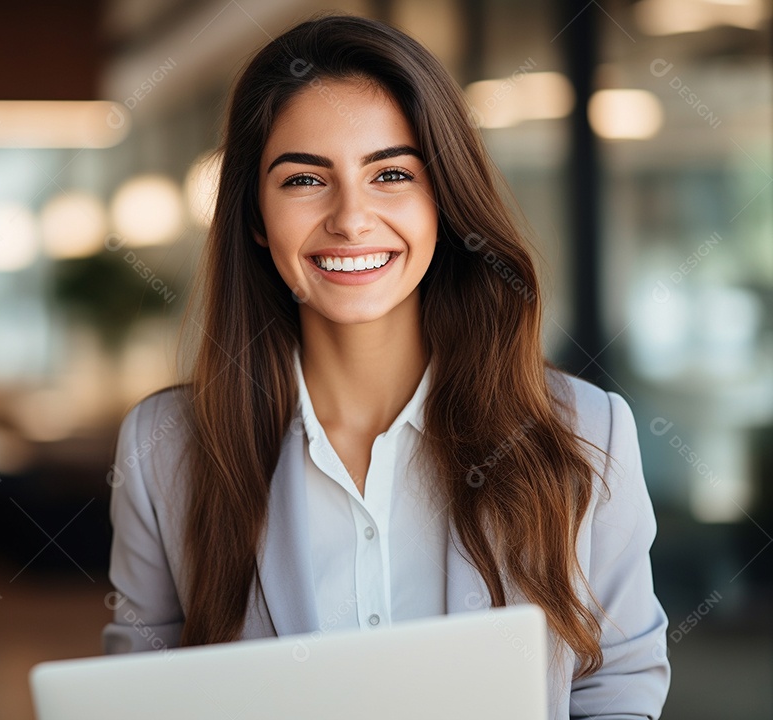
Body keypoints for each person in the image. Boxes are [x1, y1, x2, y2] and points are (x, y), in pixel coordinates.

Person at [101, 12, 670, 719]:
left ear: (443, 200)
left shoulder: (587, 428)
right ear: (254, 215)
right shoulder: (166, 448)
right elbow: (135, 698)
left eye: (391, 173)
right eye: (305, 180)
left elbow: (617, 686)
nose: (351, 218)